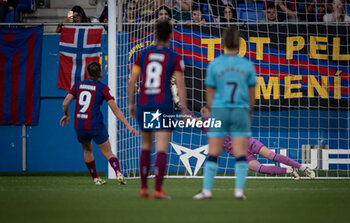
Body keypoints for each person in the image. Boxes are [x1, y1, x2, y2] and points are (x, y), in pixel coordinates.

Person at [171, 96, 316, 179]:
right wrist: (179, 104)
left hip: (247, 143)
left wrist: (179, 103)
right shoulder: (204, 125)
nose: (202, 112)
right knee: (257, 168)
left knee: (271, 155)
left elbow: (193, 118)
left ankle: (303, 167)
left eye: (204, 110)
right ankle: (289, 171)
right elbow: (190, 117)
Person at [193, 26, 256, 200]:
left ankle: (206, 190)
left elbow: (210, 93)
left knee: (213, 151)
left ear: (222, 45)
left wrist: (212, 112)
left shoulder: (215, 64)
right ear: (238, 45)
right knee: (241, 152)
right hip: (240, 111)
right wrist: (250, 112)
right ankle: (239, 192)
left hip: (220, 111)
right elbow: (252, 93)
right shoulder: (247, 65)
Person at [128, 21, 187, 200]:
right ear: (170, 35)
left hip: (144, 103)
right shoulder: (174, 57)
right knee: (161, 148)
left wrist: (131, 104)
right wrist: (183, 109)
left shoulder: (142, 55)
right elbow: (180, 83)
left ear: (154, 34)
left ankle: (144, 188)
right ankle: (158, 189)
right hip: (163, 105)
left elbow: (132, 81)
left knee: (146, 145)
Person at [60, 62, 138, 185]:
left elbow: (65, 102)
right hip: (95, 124)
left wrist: (67, 114)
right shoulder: (102, 88)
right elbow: (115, 109)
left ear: (88, 72)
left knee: (87, 150)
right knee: (107, 152)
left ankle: (96, 179)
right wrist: (128, 125)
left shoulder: (78, 85)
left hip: (80, 124)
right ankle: (118, 173)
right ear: (100, 72)